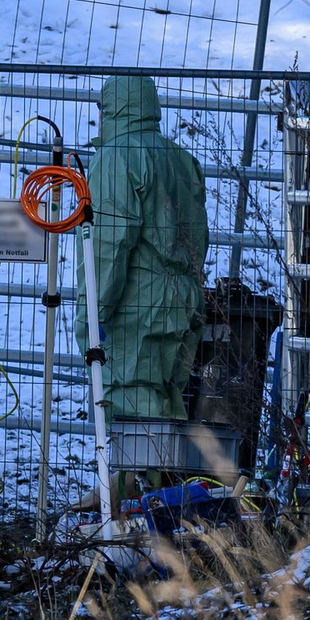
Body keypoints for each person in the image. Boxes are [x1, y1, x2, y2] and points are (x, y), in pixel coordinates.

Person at [79, 75, 209, 422]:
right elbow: (199, 238)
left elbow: (109, 245)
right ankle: (165, 478)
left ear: (112, 108)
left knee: (128, 411)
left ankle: (128, 478)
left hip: (135, 310)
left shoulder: (117, 158)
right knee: (167, 405)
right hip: (181, 301)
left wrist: (92, 313)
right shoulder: (181, 159)